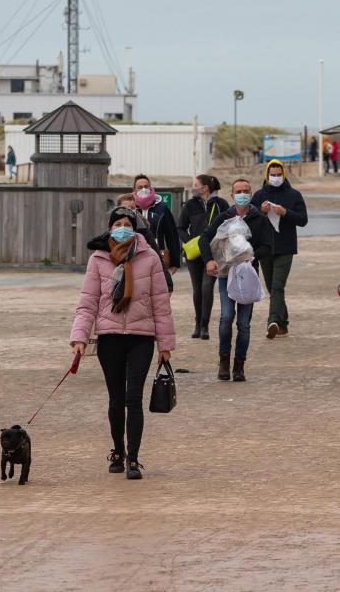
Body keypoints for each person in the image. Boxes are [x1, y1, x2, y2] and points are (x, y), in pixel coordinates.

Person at [71, 207, 175, 480]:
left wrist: (165, 344)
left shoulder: (149, 257)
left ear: (135, 227)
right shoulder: (98, 258)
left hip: (142, 338)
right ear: (110, 228)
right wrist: (79, 337)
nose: (122, 228)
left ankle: (133, 458)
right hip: (110, 338)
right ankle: (117, 450)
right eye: (117, 223)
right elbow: (88, 301)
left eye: (127, 223)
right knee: (116, 399)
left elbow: (161, 304)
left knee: (134, 399)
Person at [201, 178, 274, 382]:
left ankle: (239, 365)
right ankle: (223, 361)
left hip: (248, 275)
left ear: (251, 194)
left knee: (244, 323)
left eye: (246, 191)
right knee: (226, 318)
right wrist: (209, 261)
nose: (242, 194)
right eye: (238, 191)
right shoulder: (224, 218)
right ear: (232, 196)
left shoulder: (259, 219)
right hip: (226, 275)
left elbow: (268, 246)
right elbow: (203, 238)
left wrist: (251, 256)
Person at [251, 159, 308, 339]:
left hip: (285, 247)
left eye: (278, 174)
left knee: (277, 287)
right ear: (267, 176)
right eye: (272, 175)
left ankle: (272, 322)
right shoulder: (259, 195)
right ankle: (283, 324)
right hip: (265, 248)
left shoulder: (294, 195)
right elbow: (249, 220)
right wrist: (260, 211)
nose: (275, 177)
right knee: (272, 288)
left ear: (283, 175)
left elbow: (303, 220)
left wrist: (286, 213)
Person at [181, 174, 228, 339]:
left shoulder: (222, 204)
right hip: (194, 254)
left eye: (196, 184)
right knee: (197, 289)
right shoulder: (189, 205)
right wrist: (191, 242)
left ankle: (204, 325)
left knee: (207, 288)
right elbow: (180, 227)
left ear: (205, 187)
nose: (194, 187)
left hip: (214, 253)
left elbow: (228, 227)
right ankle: (197, 324)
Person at [132, 175, 182, 292]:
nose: (143, 189)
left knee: (158, 290)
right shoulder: (130, 208)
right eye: (140, 187)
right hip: (134, 256)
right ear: (134, 190)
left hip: (158, 256)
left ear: (151, 187)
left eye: (146, 186)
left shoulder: (162, 209)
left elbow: (172, 235)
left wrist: (175, 261)